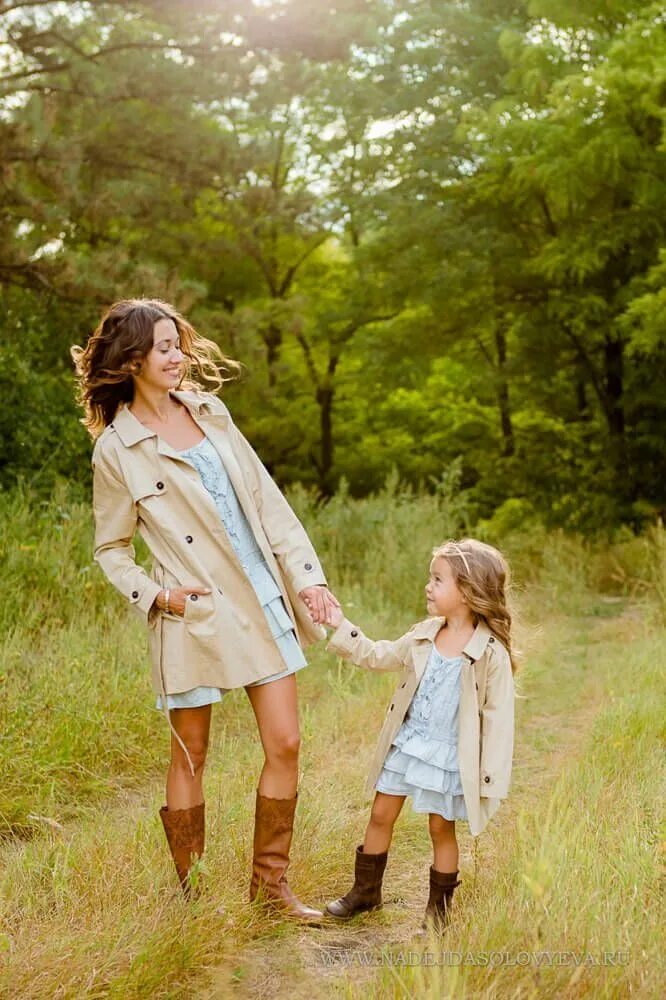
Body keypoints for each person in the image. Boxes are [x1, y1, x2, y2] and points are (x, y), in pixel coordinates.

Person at [71, 298, 339, 921]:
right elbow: (110, 550)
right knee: (191, 754)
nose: (177, 356)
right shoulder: (117, 450)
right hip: (191, 614)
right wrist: (158, 595)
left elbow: (270, 505)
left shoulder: (212, 412)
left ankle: (270, 890)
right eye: (163, 347)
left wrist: (308, 580)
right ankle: (192, 899)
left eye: (177, 344)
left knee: (287, 741)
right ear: (133, 360)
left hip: (261, 594)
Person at [323, 538, 516, 931]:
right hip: (408, 743)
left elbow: (498, 720)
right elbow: (379, 655)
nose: (428, 587)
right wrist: (340, 627)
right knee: (380, 814)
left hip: (448, 754)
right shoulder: (425, 634)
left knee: (439, 828)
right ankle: (365, 893)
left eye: (438, 580)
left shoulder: (489, 652)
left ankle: (438, 913)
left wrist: (489, 778)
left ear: (467, 590)